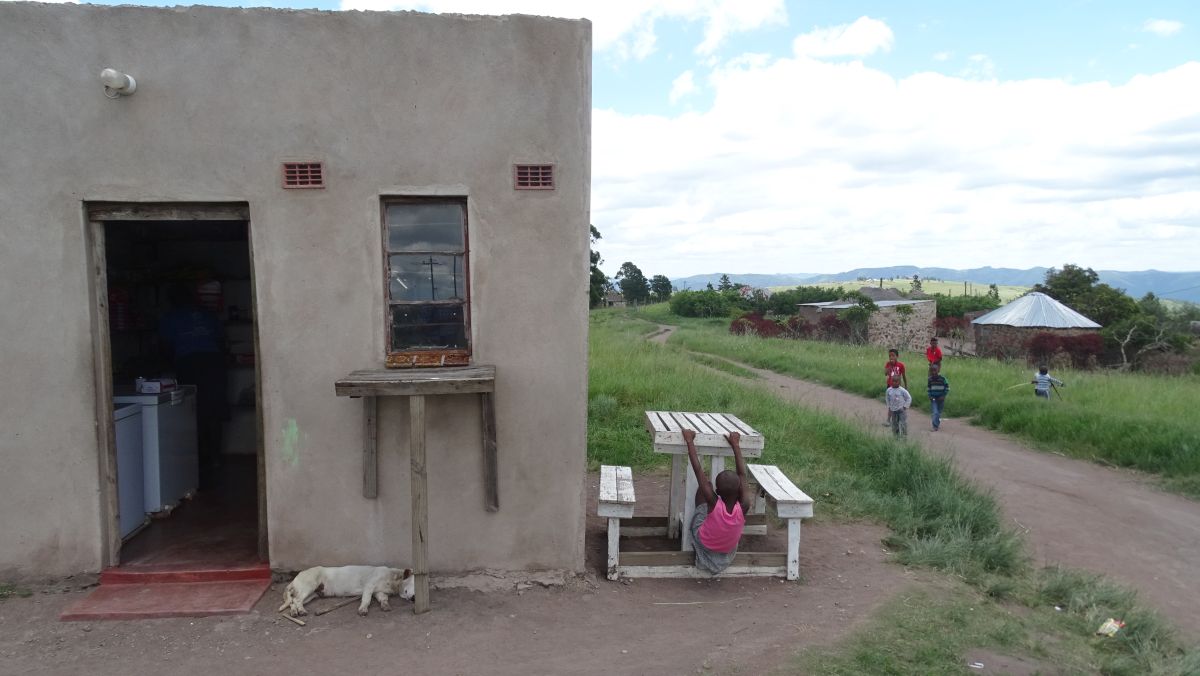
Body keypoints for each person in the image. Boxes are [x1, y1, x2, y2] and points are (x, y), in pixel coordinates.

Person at [159, 282, 228, 489]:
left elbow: (164, 347)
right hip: (214, 362)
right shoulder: (206, 315)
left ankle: (198, 460)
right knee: (213, 410)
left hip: (189, 364)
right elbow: (222, 340)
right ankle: (213, 458)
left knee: (191, 411)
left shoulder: (170, 318)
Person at [682, 428, 751, 575]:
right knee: (708, 491)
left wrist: (689, 440)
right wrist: (736, 444)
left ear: (718, 492)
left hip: (705, 543)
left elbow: (698, 470)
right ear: (740, 488)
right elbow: (742, 474)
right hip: (727, 548)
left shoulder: (713, 502)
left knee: (704, 488)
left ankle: (704, 536)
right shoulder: (745, 505)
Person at [883, 349, 908, 424]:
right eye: (890, 356)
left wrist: (906, 386)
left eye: (893, 355)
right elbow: (885, 373)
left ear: (897, 356)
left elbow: (903, 376)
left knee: (898, 403)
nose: (891, 357)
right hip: (890, 386)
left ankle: (900, 418)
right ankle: (888, 420)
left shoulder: (901, 365)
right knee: (891, 404)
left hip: (898, 387)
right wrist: (890, 366)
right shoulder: (888, 364)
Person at [926, 364, 950, 431]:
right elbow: (928, 388)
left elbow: (947, 388)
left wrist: (943, 395)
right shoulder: (930, 379)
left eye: (935, 370)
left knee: (939, 412)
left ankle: (937, 423)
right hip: (933, 398)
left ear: (938, 370)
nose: (933, 372)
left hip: (941, 398)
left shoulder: (943, 379)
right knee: (935, 412)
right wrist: (930, 396)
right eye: (932, 371)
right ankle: (935, 426)